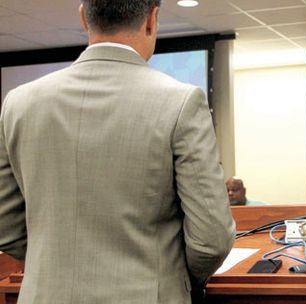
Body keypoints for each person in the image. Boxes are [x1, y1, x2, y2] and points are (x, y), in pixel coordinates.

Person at [0, 1, 236, 303]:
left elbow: (6, 227)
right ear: (152, 19)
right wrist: (169, 277)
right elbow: (211, 241)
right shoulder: (181, 102)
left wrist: (52, 266)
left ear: (84, 17)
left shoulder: (18, 103)